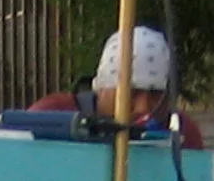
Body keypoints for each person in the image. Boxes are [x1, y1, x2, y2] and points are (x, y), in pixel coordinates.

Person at [30, 26, 202, 142]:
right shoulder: (51, 117)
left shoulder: (182, 133)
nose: (144, 107)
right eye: (132, 93)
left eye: (156, 94)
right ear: (102, 89)